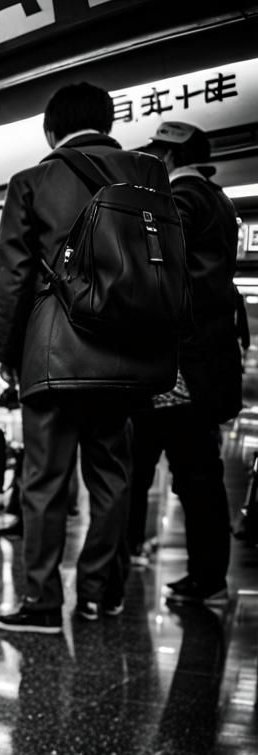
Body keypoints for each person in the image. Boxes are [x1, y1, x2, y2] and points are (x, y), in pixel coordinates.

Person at [0, 81, 170, 634]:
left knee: (44, 482)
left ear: (52, 129)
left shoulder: (34, 180)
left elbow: (17, 277)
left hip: (53, 356)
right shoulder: (147, 174)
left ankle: (42, 604)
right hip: (124, 357)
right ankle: (99, 595)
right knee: (113, 477)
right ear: (108, 122)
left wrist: (6, 349)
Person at [126, 122, 242, 605]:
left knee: (160, 467)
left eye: (157, 153)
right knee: (196, 472)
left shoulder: (180, 199)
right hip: (207, 360)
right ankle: (206, 574)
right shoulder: (219, 200)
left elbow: (159, 274)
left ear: (171, 155)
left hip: (176, 365)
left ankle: (195, 575)